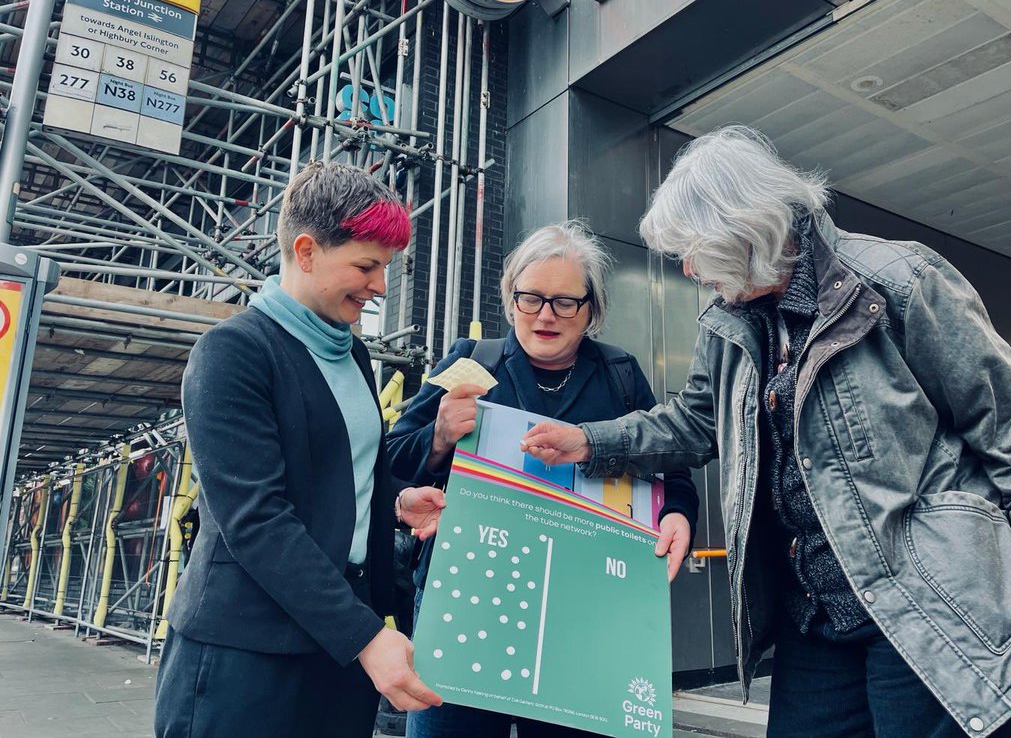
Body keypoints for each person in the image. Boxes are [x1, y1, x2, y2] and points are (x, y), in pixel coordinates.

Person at [522, 127, 1011, 738]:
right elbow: (695, 421)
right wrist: (588, 442)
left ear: (742, 230)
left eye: (694, 249)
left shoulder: (899, 280)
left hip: (929, 605)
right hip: (814, 617)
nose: (688, 269)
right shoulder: (727, 323)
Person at [155, 162, 444, 738]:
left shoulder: (353, 355)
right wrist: (364, 635)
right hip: (250, 652)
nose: (380, 286)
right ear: (307, 251)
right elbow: (257, 518)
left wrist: (394, 500)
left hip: (336, 641)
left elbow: (336, 474)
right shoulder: (233, 353)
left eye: (385, 268)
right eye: (366, 265)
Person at [387, 220, 700, 738]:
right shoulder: (470, 361)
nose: (546, 315)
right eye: (531, 298)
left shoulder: (620, 375)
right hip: (466, 606)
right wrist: (439, 436)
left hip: (579, 615)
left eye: (565, 302)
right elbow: (393, 459)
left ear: (591, 309)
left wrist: (677, 514)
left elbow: (670, 467)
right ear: (511, 300)